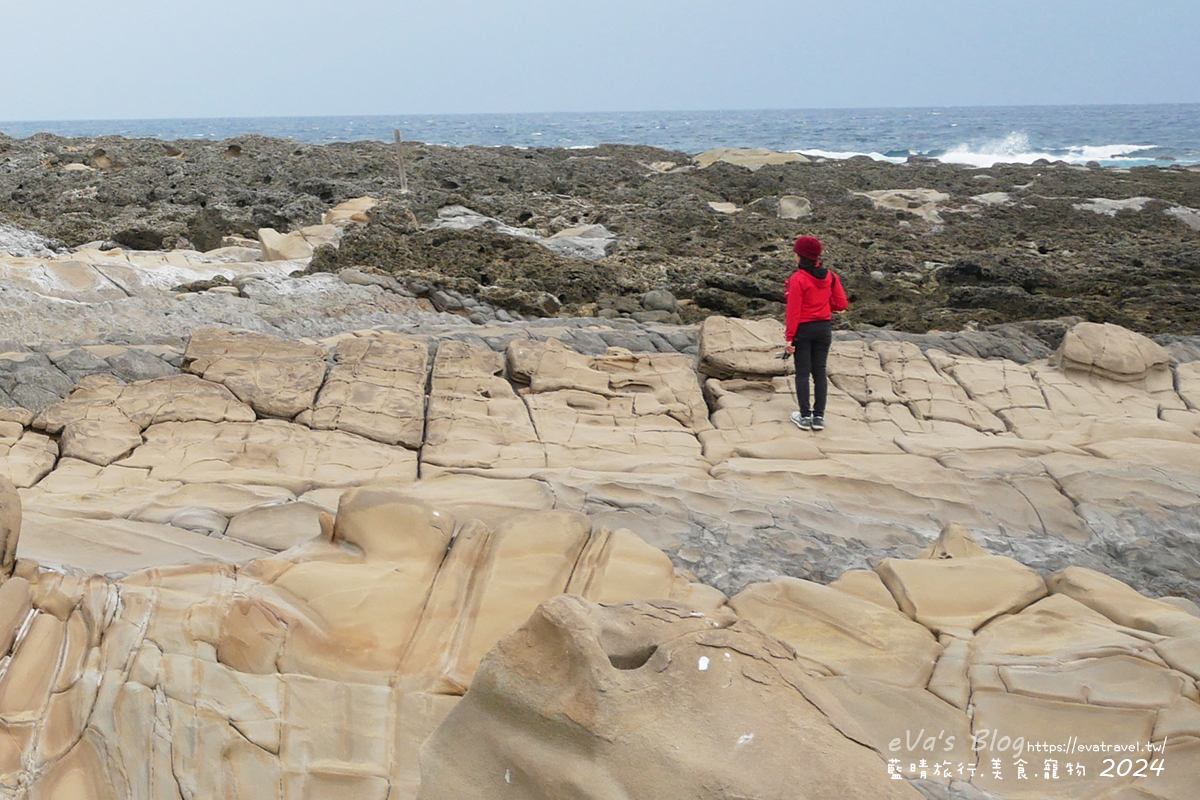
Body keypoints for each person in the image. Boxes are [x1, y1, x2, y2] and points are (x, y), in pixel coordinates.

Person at [783, 235, 848, 431]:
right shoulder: (831, 276)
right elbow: (841, 304)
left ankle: (804, 416)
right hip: (824, 328)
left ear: (801, 256)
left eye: (796, 252)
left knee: (802, 373)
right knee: (819, 372)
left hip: (804, 329)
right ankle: (818, 417)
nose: (794, 255)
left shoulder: (798, 279)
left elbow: (793, 312)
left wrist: (789, 339)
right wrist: (823, 305)